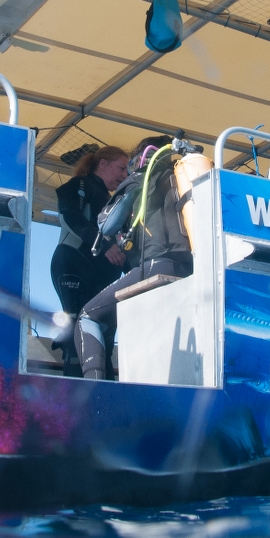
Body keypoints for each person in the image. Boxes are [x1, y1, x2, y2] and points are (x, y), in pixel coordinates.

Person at [73, 138, 202, 380]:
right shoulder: (188, 178)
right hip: (195, 270)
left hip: (157, 265)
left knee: (88, 317)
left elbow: (106, 225)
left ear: (141, 158)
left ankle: (95, 389)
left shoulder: (141, 178)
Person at [49, 146, 129, 372]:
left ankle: (102, 387)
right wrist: (103, 245)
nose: (125, 175)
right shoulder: (80, 185)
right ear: (103, 164)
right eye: (121, 168)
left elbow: (123, 246)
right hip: (73, 265)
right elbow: (70, 216)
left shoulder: (114, 202)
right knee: (78, 331)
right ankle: (74, 383)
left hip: (101, 276)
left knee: (104, 338)